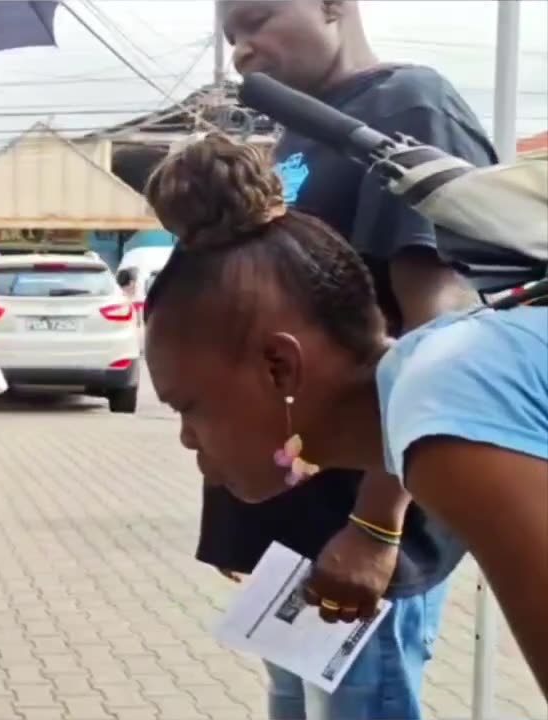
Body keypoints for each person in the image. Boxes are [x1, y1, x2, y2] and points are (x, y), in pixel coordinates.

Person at [140, 132, 548, 702]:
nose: (186, 439)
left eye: (188, 406)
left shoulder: (443, 425)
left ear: (280, 366)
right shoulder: (424, 400)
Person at [192, 2, 500, 717]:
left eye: (257, 19)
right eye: (231, 36)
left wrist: (375, 527)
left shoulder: (411, 110)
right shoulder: (304, 130)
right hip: (300, 524)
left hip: (363, 525)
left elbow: (440, 340)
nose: (242, 49)